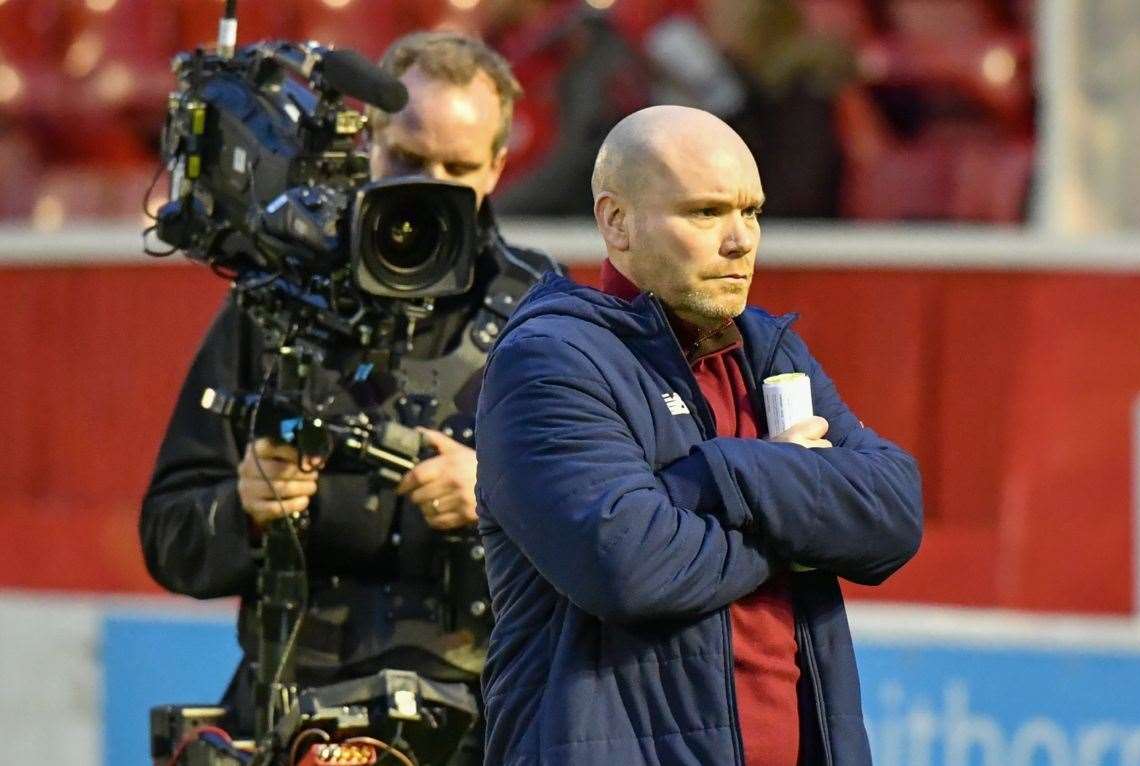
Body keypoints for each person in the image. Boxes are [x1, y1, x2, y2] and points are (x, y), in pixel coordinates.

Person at [139, 31, 560, 763]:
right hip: (291, 720)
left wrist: (502, 497)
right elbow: (168, 537)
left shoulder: (547, 314)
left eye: (457, 167)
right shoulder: (275, 297)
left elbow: (620, 532)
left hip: (483, 728)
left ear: (497, 168)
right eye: (407, 158)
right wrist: (243, 509)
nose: (427, 185)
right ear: (366, 143)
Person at [474, 105, 922, 764]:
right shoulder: (550, 358)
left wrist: (722, 479)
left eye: (752, 212)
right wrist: (790, 510)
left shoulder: (768, 350)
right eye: (706, 213)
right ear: (615, 222)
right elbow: (630, 568)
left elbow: (893, 513)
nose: (740, 240)